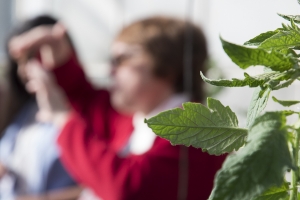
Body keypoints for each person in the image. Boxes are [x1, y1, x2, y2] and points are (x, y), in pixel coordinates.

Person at [9, 16, 226, 200]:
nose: (110, 69)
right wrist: (59, 58)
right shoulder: (141, 117)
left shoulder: (196, 133)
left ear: (168, 66)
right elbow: (89, 102)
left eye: (122, 59)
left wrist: (62, 118)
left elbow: (127, 187)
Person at [0, 15, 80, 200]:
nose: (24, 70)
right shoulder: (27, 109)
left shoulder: (87, 113)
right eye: (19, 62)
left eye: (33, 57)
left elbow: (97, 186)